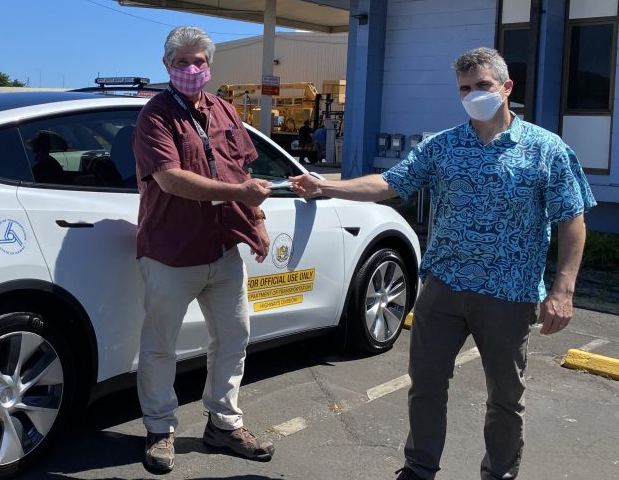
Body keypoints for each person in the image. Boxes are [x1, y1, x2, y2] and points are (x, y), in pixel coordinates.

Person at [289, 47, 595, 480]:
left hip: (509, 292)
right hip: (444, 287)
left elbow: (572, 218)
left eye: (482, 86)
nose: (473, 95)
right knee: (426, 386)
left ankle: (499, 473)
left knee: (505, 396)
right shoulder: (443, 145)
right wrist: (325, 187)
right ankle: (419, 469)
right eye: (465, 89)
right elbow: (390, 183)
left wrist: (563, 290)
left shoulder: (547, 150)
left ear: (507, 88)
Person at [133, 26, 276, 473]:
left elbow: (241, 169)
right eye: (181, 62)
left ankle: (224, 423)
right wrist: (240, 195)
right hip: (171, 251)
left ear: (209, 66)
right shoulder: (155, 116)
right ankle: (160, 429)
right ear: (166, 65)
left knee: (234, 337)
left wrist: (258, 221)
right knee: (160, 346)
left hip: (222, 250)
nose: (191, 70)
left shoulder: (226, 111)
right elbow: (171, 179)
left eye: (198, 62)